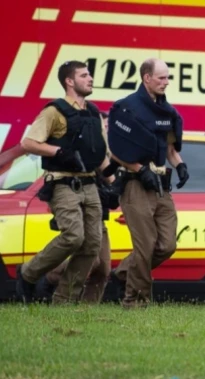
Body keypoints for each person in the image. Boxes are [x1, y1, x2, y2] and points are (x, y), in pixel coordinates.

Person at [15, 60, 111, 304]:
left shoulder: (93, 113)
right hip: (62, 183)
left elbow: (100, 154)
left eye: (89, 75)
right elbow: (28, 143)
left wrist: (113, 181)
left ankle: (64, 301)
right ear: (69, 81)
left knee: (91, 246)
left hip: (90, 185)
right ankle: (28, 273)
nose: (90, 79)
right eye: (84, 75)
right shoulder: (54, 111)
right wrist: (58, 152)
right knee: (73, 236)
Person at [107, 58, 190, 309]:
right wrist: (138, 169)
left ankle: (122, 274)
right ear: (146, 78)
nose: (166, 82)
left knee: (167, 245)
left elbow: (170, 149)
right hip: (135, 185)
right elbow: (115, 149)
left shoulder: (167, 112)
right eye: (161, 78)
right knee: (145, 246)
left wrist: (180, 165)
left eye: (168, 77)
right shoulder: (126, 108)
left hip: (161, 185)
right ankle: (135, 300)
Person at [40, 113, 120, 303]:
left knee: (103, 269)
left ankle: (87, 310)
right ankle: (49, 278)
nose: (106, 130)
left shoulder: (110, 151)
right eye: (104, 126)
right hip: (82, 206)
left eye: (108, 127)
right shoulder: (87, 149)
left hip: (100, 211)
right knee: (92, 259)